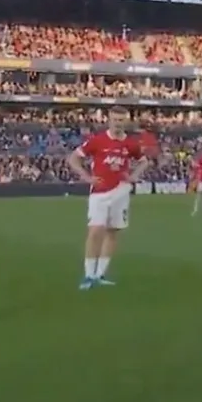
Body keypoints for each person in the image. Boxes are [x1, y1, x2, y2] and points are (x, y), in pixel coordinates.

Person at [67, 106, 149, 290]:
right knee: (95, 231)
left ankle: (100, 274)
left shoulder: (131, 144)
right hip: (100, 192)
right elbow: (73, 158)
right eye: (115, 120)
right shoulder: (97, 141)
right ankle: (88, 275)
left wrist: (134, 175)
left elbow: (144, 161)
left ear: (126, 122)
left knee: (113, 232)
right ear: (109, 120)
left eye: (121, 120)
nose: (118, 123)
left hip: (121, 192)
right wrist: (86, 177)